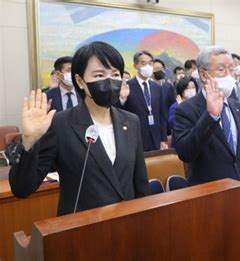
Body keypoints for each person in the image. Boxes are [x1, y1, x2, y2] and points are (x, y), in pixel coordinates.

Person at [9, 41, 150, 216]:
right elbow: (22, 188)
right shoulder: (60, 124)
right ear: (80, 81)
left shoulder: (130, 121)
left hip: (126, 228)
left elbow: (140, 182)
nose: (109, 81)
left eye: (115, 74)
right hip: (81, 231)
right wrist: (28, 141)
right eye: (99, 75)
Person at [173, 46, 240, 219]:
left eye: (231, 69)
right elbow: (185, 152)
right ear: (204, 75)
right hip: (210, 201)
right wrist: (211, 116)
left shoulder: (238, 107)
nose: (228, 74)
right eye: (221, 69)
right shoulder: (186, 110)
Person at [118, 50, 168, 151]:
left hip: (155, 137)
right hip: (135, 137)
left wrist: (163, 139)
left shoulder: (157, 87)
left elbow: (162, 114)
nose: (147, 66)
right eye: (143, 63)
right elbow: (119, 112)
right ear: (135, 65)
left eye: (150, 63)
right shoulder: (127, 86)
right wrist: (123, 99)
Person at [168, 76, 197, 148]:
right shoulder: (175, 106)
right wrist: (181, 108)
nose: (191, 90)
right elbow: (173, 124)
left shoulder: (197, 104)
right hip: (181, 143)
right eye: (187, 88)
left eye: (193, 87)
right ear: (182, 90)